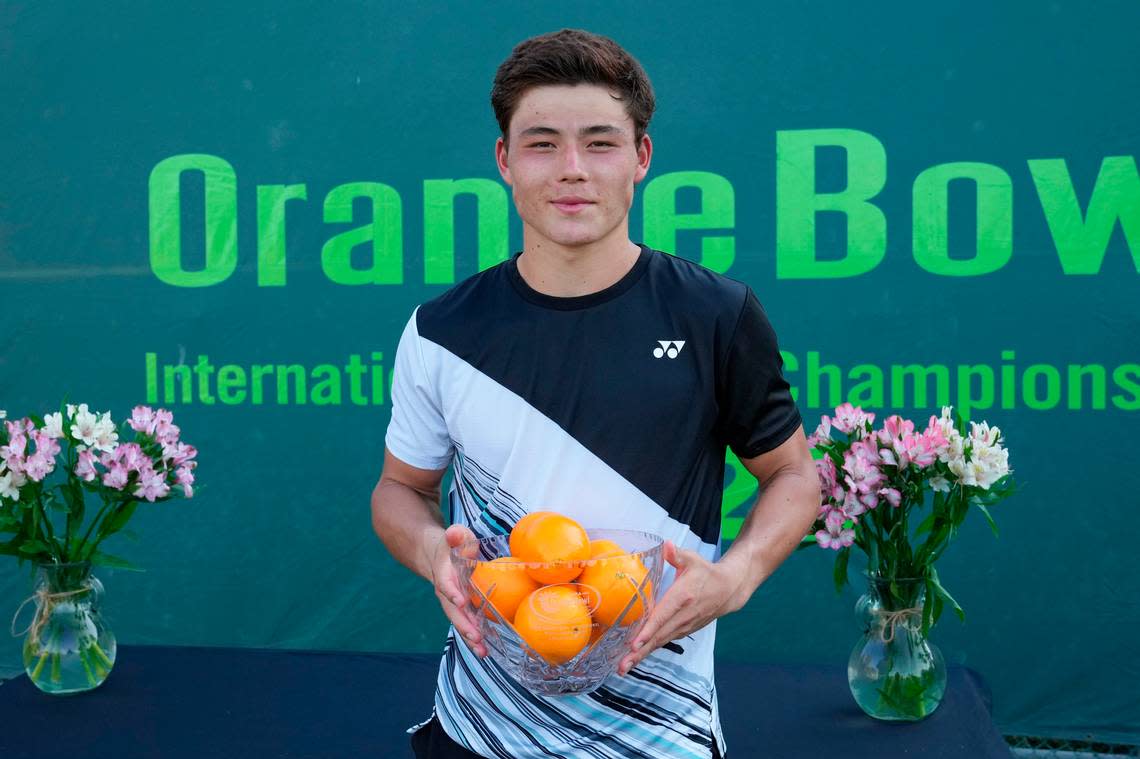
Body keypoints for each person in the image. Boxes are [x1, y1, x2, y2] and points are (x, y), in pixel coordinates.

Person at [371, 28, 820, 759]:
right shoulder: (440, 330)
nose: (572, 170)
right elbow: (399, 489)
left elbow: (794, 474)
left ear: (641, 158)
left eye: (601, 143)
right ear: (504, 161)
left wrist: (736, 577)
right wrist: (431, 551)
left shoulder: (715, 315)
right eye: (542, 143)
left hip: (658, 734)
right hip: (480, 727)